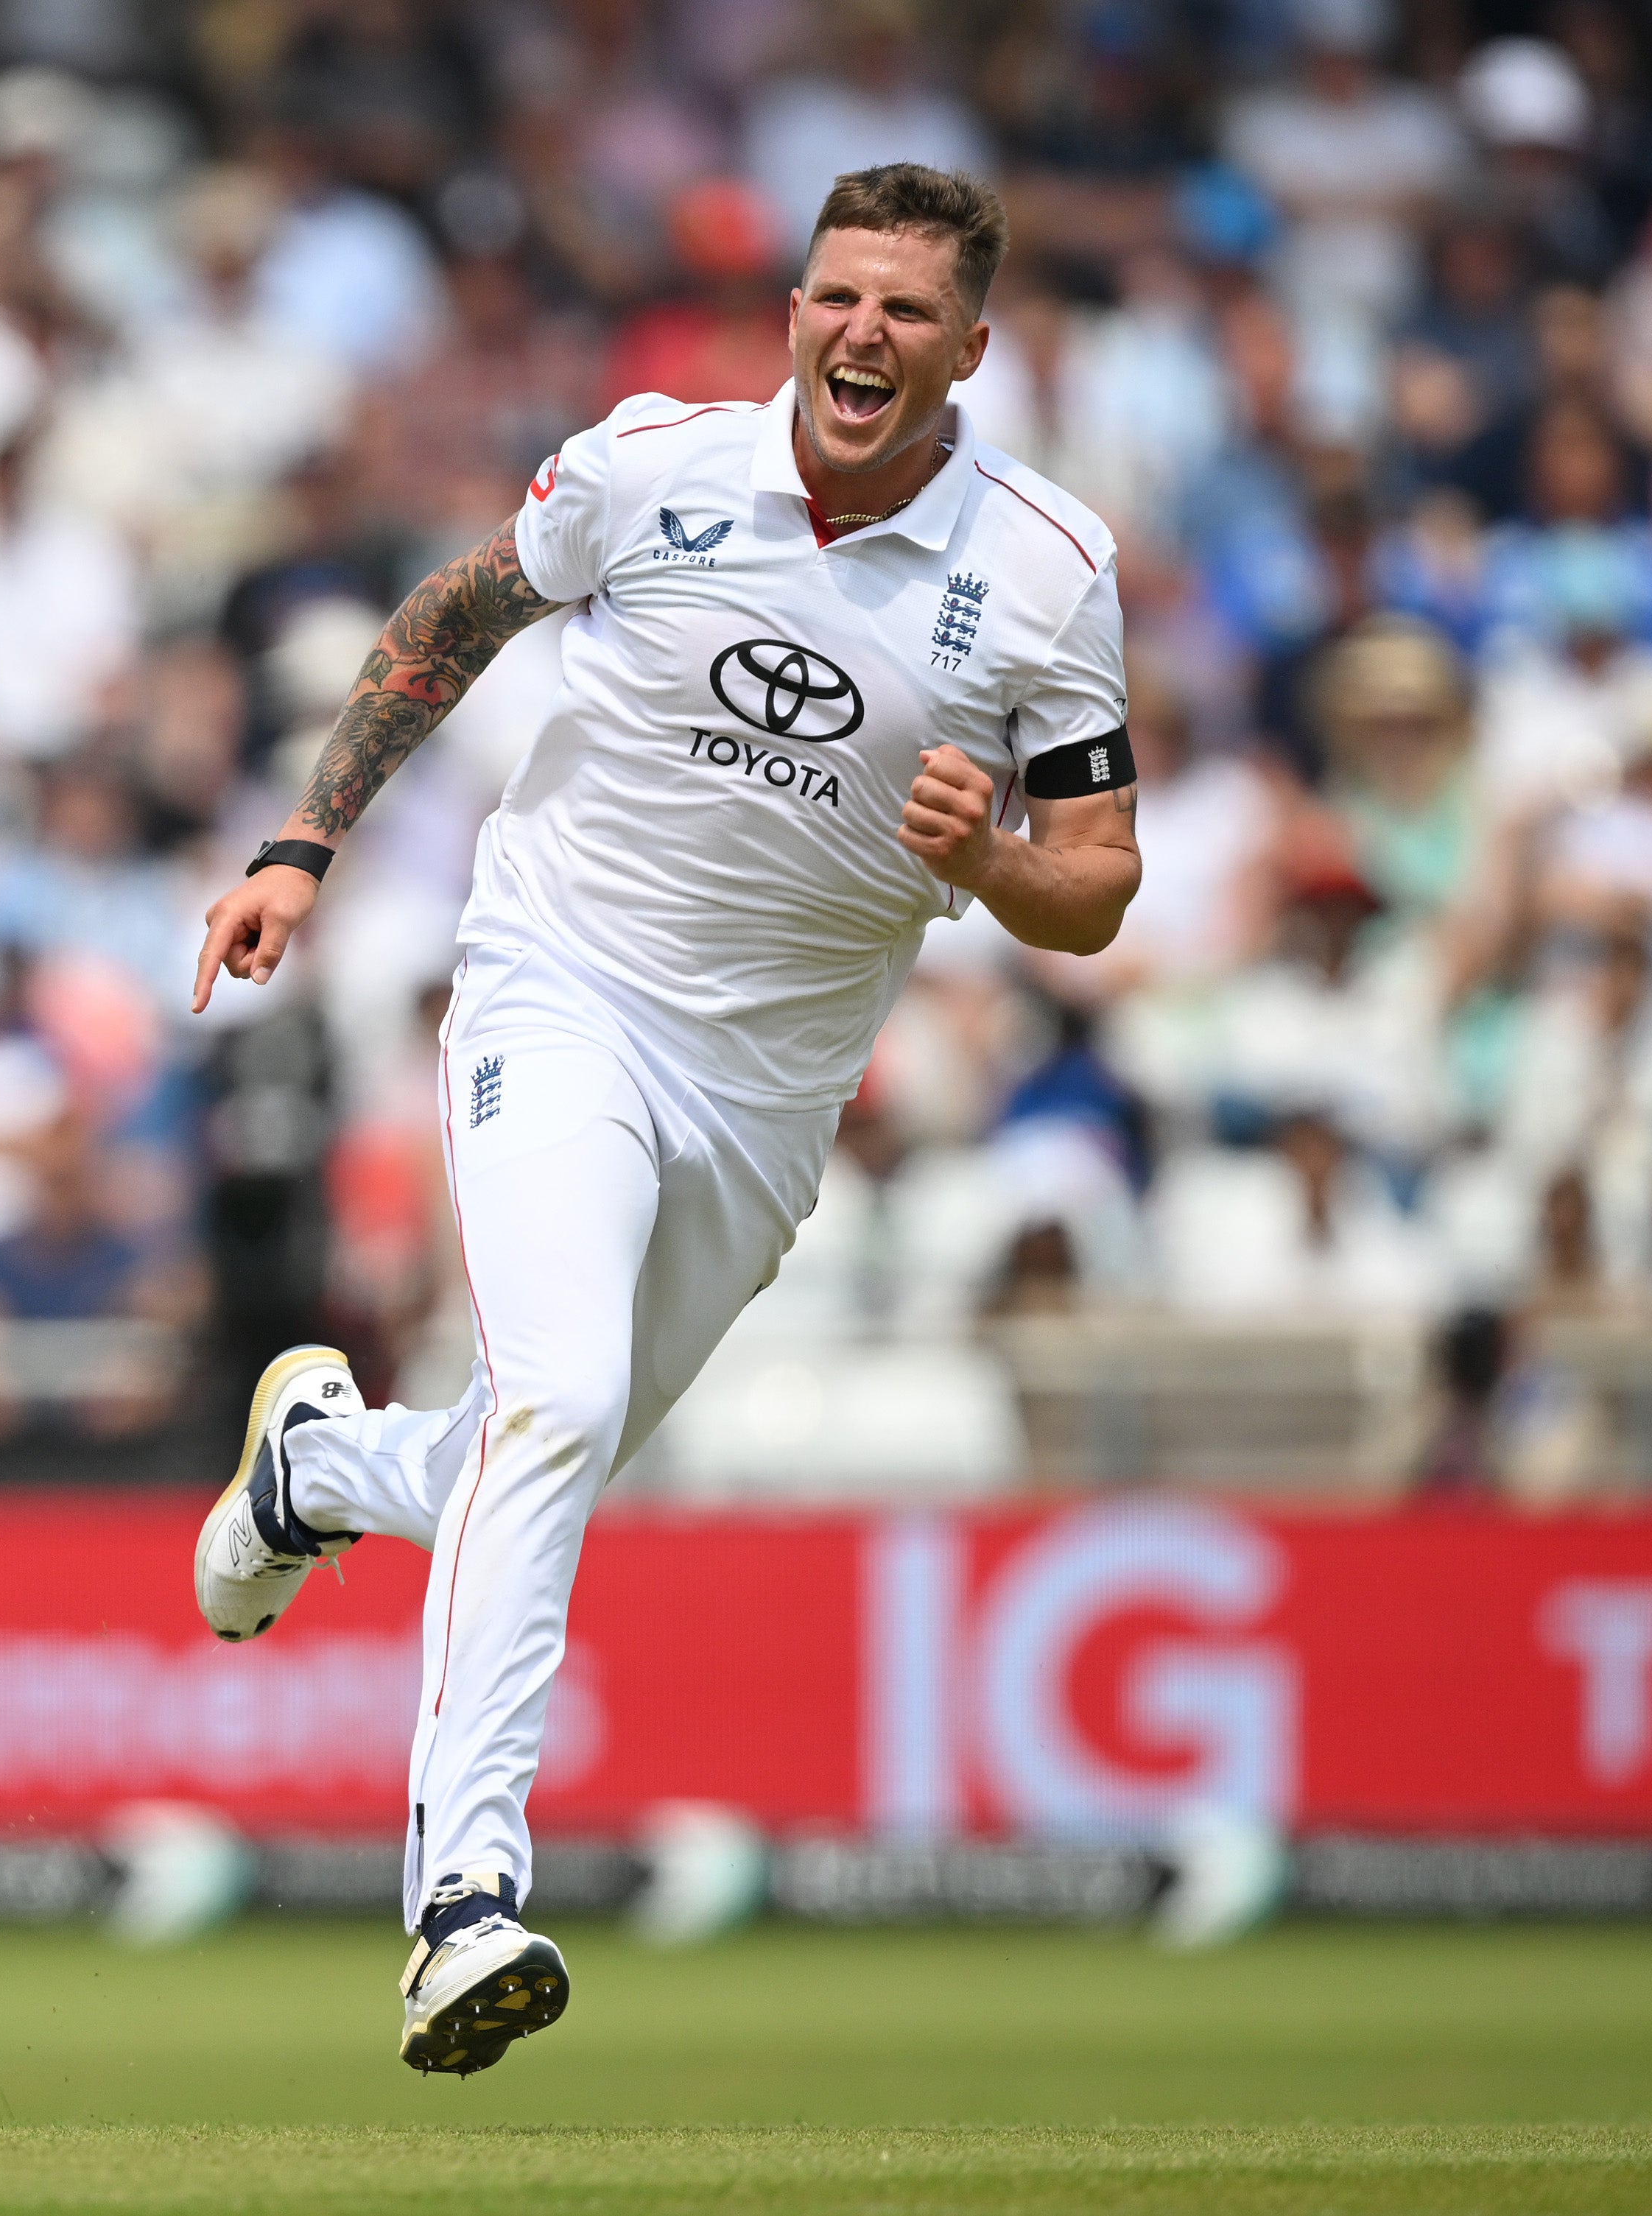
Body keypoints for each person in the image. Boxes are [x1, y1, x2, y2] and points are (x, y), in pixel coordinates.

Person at [185, 164, 1136, 2075]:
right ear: (794, 309)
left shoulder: (1048, 565)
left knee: (535, 1458)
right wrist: (305, 840)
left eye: (902, 310)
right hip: (554, 987)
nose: (858, 332)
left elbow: (1101, 880)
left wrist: (999, 863)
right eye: (831, 295)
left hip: (768, 1098)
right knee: (561, 1401)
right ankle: (462, 1902)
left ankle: (318, 1473)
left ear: (966, 345)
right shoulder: (652, 467)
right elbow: (452, 617)